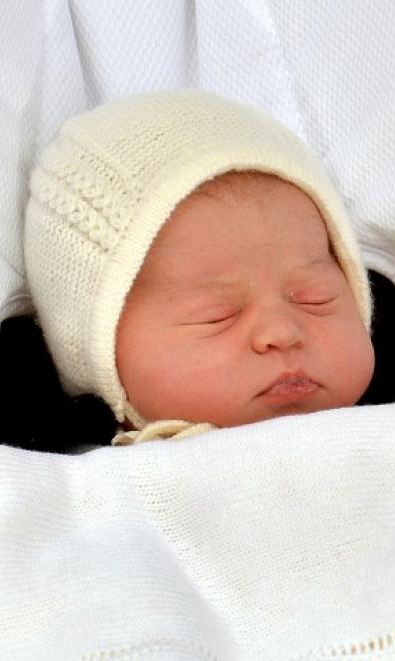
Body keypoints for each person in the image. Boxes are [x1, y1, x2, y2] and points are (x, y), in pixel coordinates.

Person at [24, 89, 375, 446]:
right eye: (217, 316)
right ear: (101, 358)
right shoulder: (79, 489)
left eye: (314, 298)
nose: (282, 332)